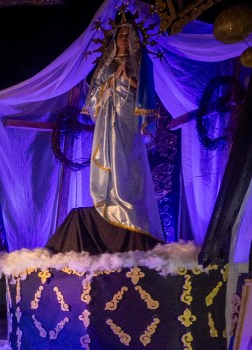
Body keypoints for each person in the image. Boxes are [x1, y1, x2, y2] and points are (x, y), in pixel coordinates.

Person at [82, 15, 165, 244]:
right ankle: (109, 199)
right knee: (108, 154)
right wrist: (110, 82)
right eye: (120, 34)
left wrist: (129, 78)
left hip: (129, 114)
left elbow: (148, 93)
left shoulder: (140, 61)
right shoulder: (106, 64)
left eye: (127, 35)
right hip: (108, 116)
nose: (122, 38)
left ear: (133, 39)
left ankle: (129, 200)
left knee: (128, 156)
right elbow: (94, 95)